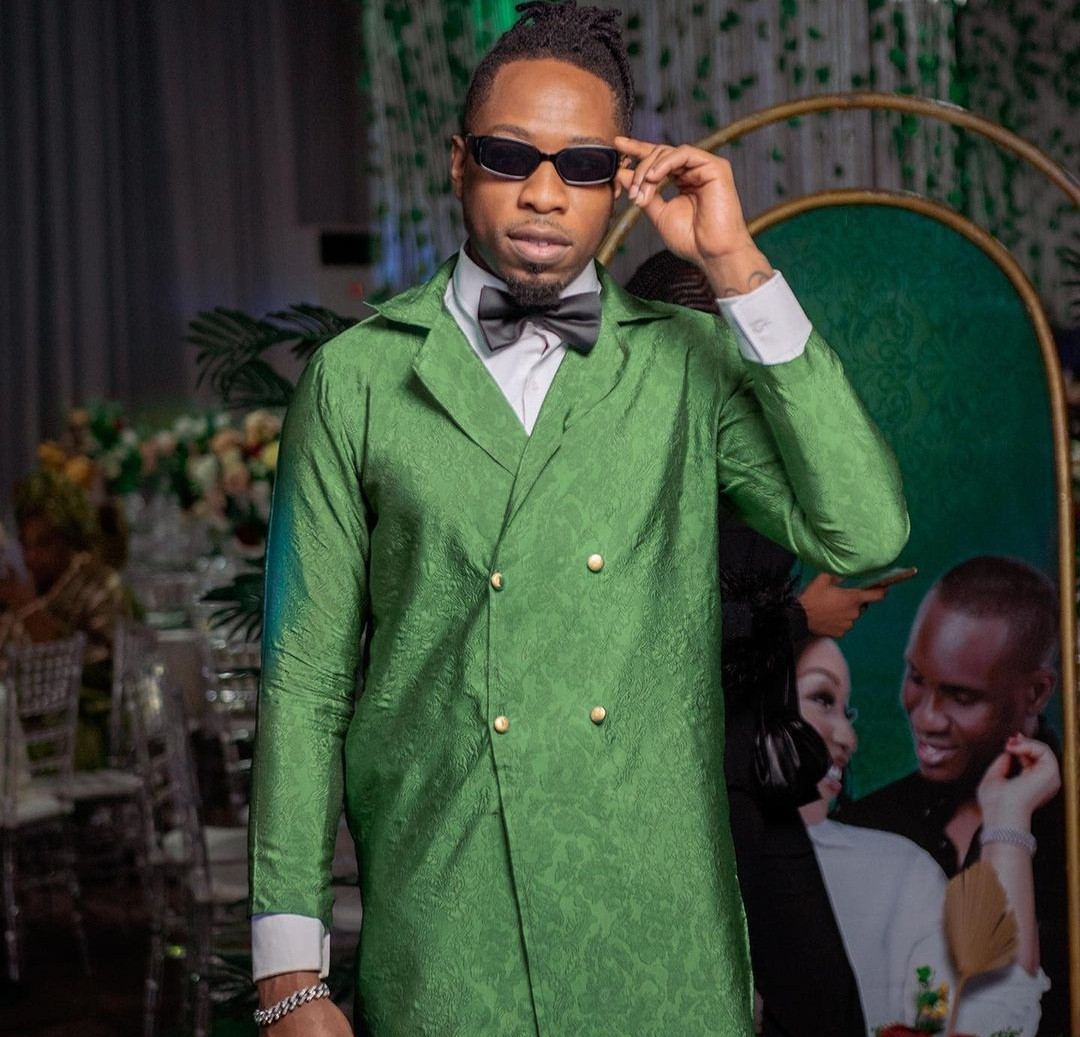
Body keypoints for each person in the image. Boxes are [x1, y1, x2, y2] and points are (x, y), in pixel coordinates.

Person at [249, 3, 909, 1034]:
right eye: (511, 155)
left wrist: (737, 267)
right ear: (459, 162)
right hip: (448, 908)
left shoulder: (685, 363)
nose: (546, 193)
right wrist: (289, 972)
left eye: (585, 165)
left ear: (620, 182)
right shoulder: (357, 381)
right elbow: (305, 681)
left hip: (657, 922)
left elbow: (865, 533)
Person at [627, 247, 888, 1037]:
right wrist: (803, 617)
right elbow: (655, 639)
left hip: (756, 773)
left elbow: (863, 512)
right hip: (680, 789)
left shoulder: (745, 441)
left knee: (823, 1004)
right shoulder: (629, 464)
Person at [836, 555, 1068, 1035]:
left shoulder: (1070, 832)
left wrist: (1008, 818)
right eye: (917, 679)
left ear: (1036, 693)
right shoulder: (865, 824)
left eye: (962, 697)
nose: (926, 717)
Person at [795, 636, 1054, 1035]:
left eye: (847, 711)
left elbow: (989, 1018)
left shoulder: (895, 872)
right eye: (822, 699)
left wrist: (1007, 818)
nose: (848, 738)